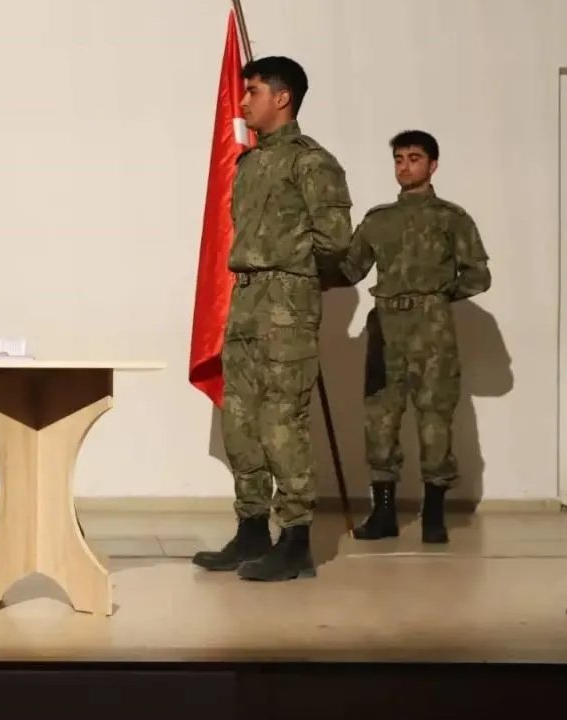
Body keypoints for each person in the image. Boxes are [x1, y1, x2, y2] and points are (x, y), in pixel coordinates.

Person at [192, 56, 354, 582]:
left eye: (254, 91)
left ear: (282, 98)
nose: (243, 101)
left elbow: (336, 243)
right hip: (246, 300)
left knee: (283, 420)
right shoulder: (250, 164)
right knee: (240, 419)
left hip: (286, 302)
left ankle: (297, 540)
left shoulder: (313, 162)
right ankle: (252, 529)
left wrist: (295, 278)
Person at [338, 130, 491, 544]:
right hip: (385, 329)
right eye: (399, 159)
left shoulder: (452, 218)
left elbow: (478, 275)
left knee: (434, 419)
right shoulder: (378, 220)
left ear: (433, 165)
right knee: (379, 419)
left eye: (414, 158)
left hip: (431, 331)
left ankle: (433, 516)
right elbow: (350, 270)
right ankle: (383, 514)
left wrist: (436, 298)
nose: (405, 166)